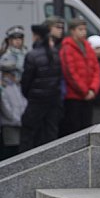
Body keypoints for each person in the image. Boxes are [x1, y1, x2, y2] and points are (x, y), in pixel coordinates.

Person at [19, 18, 64, 152]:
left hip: (36, 102)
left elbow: (26, 82)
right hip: (53, 101)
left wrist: (30, 95)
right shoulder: (56, 54)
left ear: (36, 36)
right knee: (49, 134)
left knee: (28, 134)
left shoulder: (32, 55)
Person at [59, 18, 100, 136]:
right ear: (72, 31)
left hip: (88, 95)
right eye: (80, 29)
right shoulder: (67, 48)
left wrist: (93, 89)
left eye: (84, 29)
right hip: (74, 97)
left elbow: (96, 69)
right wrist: (84, 91)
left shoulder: (87, 46)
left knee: (86, 126)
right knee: (74, 128)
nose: (84, 32)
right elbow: (70, 73)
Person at [0, 56, 27, 160]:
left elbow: (23, 101)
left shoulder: (16, 85)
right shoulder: (3, 87)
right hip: (9, 125)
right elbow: (5, 107)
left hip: (19, 122)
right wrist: (15, 119)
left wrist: (23, 117)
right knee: (9, 153)